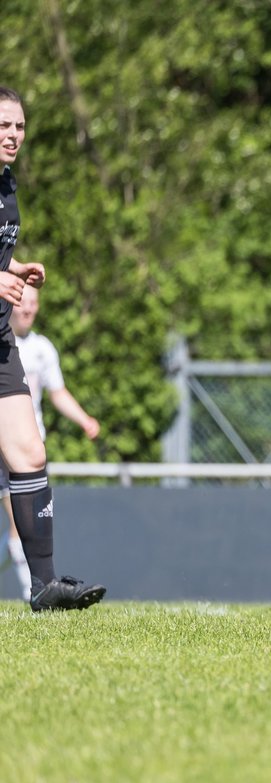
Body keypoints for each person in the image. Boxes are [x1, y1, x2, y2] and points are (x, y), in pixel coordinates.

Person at [0, 86, 105, 611]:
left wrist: (14, 268)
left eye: (18, 126)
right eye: (3, 126)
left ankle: (44, 588)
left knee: (30, 453)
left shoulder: (6, 182)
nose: (13, 135)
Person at [2, 285, 101, 601]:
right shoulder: (5, 345)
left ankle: (36, 586)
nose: (28, 309)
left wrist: (84, 419)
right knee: (17, 525)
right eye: (22, 301)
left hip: (25, 446)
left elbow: (58, 392)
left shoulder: (43, 348)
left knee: (19, 521)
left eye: (33, 302)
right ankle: (37, 582)